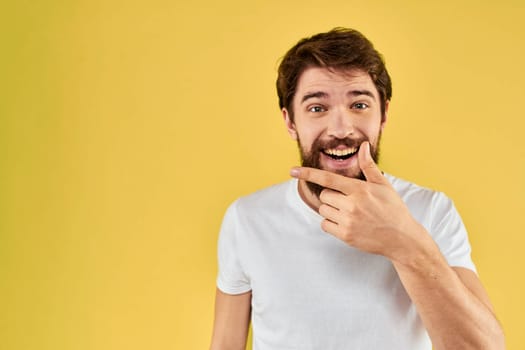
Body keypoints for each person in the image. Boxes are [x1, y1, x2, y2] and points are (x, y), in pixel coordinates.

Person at [209, 28, 504, 350]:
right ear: (290, 122)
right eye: (317, 108)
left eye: (359, 105)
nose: (341, 129)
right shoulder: (247, 218)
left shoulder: (431, 210)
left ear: (384, 114)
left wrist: (403, 240)